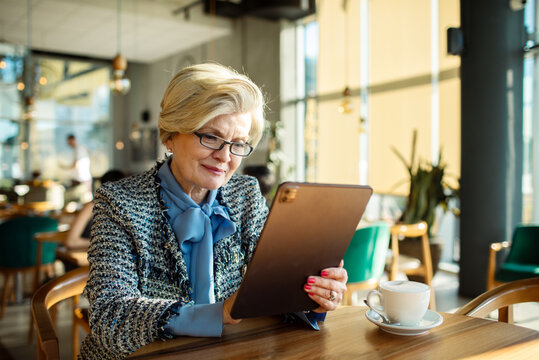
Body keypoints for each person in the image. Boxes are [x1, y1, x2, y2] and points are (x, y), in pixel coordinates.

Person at [80, 63, 348, 359]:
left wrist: (310, 297)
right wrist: (219, 313)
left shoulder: (244, 194)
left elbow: (271, 286)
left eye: (238, 144)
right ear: (171, 134)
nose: (224, 156)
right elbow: (109, 317)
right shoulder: (119, 202)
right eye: (210, 137)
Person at [62, 134, 92, 203]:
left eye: (69, 142)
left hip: (83, 180)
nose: (68, 144)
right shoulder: (76, 150)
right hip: (80, 180)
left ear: (72, 140)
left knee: (84, 202)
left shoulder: (79, 149)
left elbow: (75, 165)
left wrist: (64, 167)